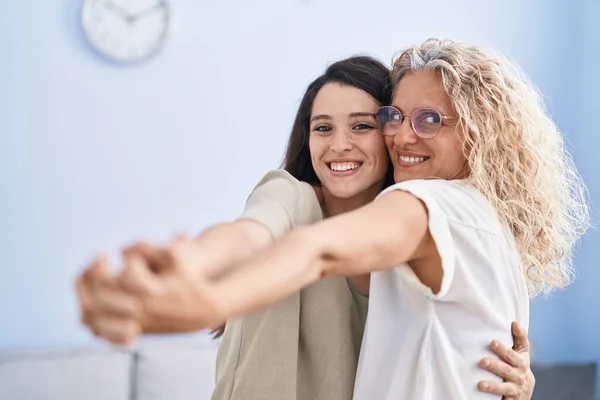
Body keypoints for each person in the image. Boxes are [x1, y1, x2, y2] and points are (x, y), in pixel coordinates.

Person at [77, 53, 541, 399]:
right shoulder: (290, 196)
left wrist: (515, 378)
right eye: (322, 128)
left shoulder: (420, 230)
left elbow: (457, 346)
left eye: (362, 126)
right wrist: (192, 270)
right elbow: (253, 233)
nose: (339, 145)